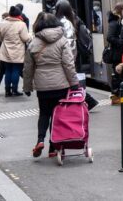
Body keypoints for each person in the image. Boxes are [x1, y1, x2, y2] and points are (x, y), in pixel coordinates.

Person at [23, 13, 79, 158]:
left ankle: (40, 140)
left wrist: (27, 87)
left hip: (43, 86)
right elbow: (68, 64)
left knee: (44, 114)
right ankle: (53, 148)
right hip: (61, 85)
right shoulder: (62, 41)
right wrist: (74, 83)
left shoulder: (33, 43)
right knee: (57, 115)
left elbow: (28, 68)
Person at [55, 0, 99, 110]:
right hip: (76, 54)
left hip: (68, 55)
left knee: (71, 80)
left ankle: (87, 101)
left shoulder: (60, 21)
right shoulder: (76, 19)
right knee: (74, 79)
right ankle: (84, 100)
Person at [0, 6, 31, 96]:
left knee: (8, 70)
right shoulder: (21, 24)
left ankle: (7, 91)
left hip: (5, 51)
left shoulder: (3, 23)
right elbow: (25, 38)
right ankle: (14, 90)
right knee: (16, 70)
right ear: (18, 15)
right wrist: (30, 36)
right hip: (17, 51)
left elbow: (0, 37)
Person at [105, 2, 123, 105]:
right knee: (118, 75)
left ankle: (122, 97)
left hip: (121, 52)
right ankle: (115, 97)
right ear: (120, 11)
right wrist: (121, 41)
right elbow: (109, 37)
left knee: (122, 75)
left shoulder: (120, 21)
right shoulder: (114, 23)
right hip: (117, 53)